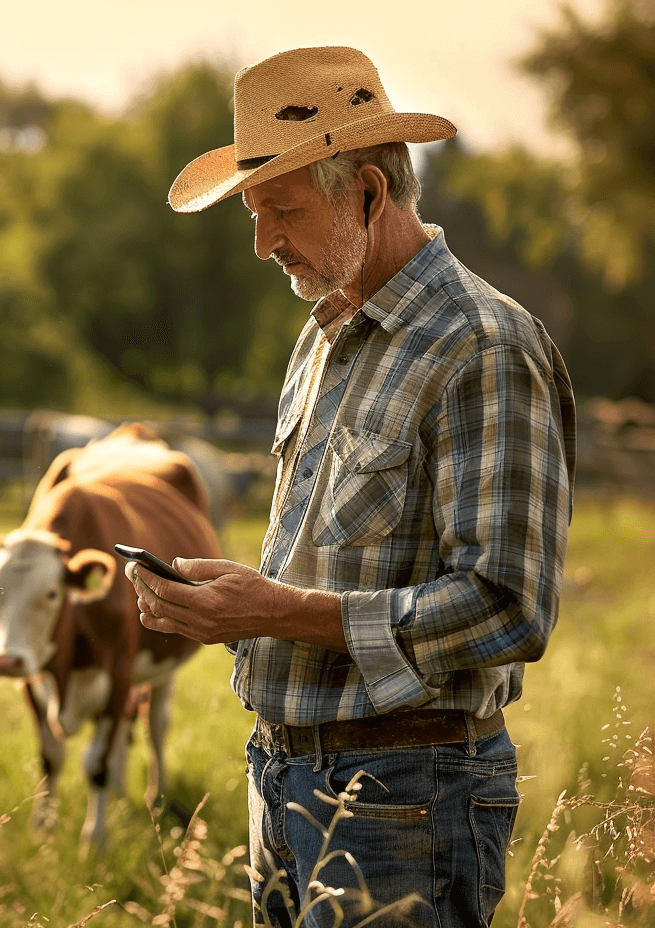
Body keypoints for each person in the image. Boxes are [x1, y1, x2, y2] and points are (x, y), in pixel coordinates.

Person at [125, 46, 576, 928]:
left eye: (280, 211)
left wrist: (274, 612)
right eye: (253, 215)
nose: (262, 245)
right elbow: (325, 563)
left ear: (368, 192)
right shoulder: (323, 334)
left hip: (408, 797)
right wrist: (227, 605)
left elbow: (510, 605)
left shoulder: (481, 345)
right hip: (285, 775)